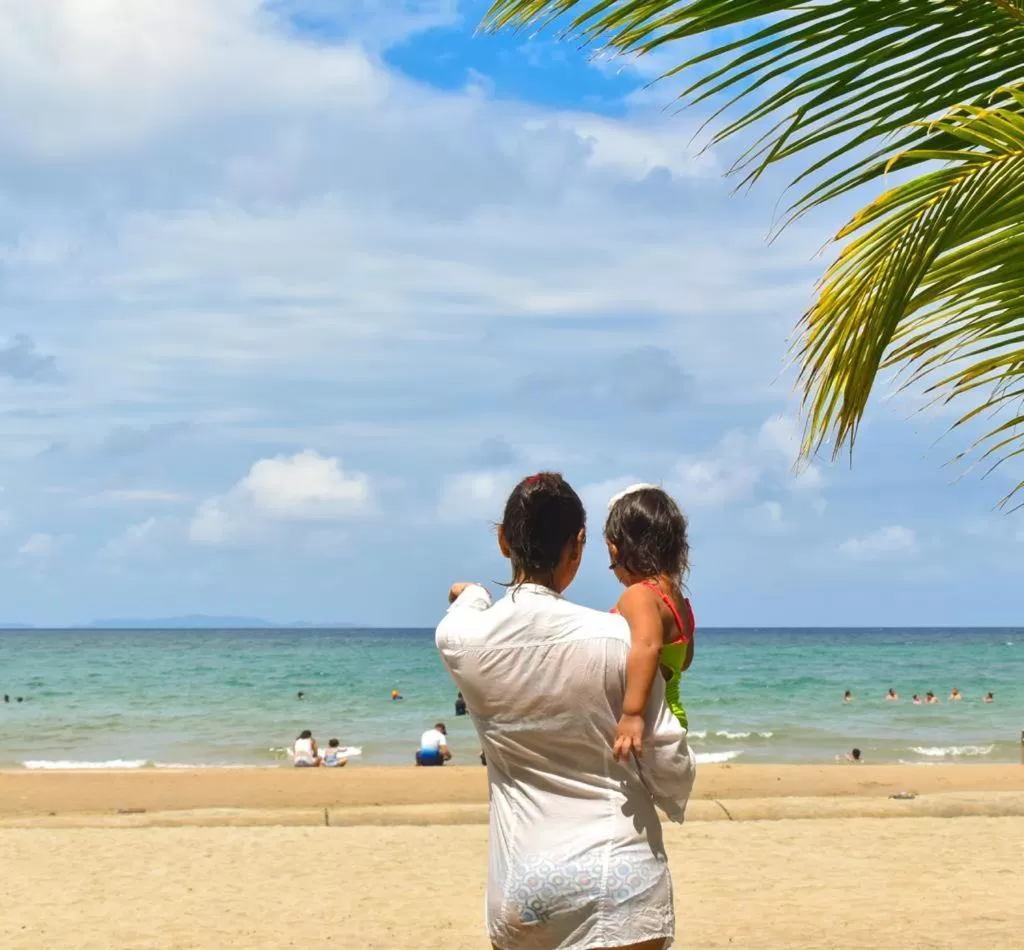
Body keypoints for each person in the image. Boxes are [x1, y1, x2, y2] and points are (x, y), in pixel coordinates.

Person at [438, 472, 695, 950]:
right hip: (621, 875)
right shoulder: (619, 639)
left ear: (502, 540)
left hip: (524, 884)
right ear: (578, 546)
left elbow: (463, 608)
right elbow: (667, 763)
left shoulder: (460, 641)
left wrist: (472, 593)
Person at [604, 484, 695, 758]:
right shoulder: (678, 600)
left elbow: (648, 647)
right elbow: (684, 661)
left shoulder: (639, 595)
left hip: (646, 727)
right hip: (674, 720)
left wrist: (632, 713)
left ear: (615, 550)